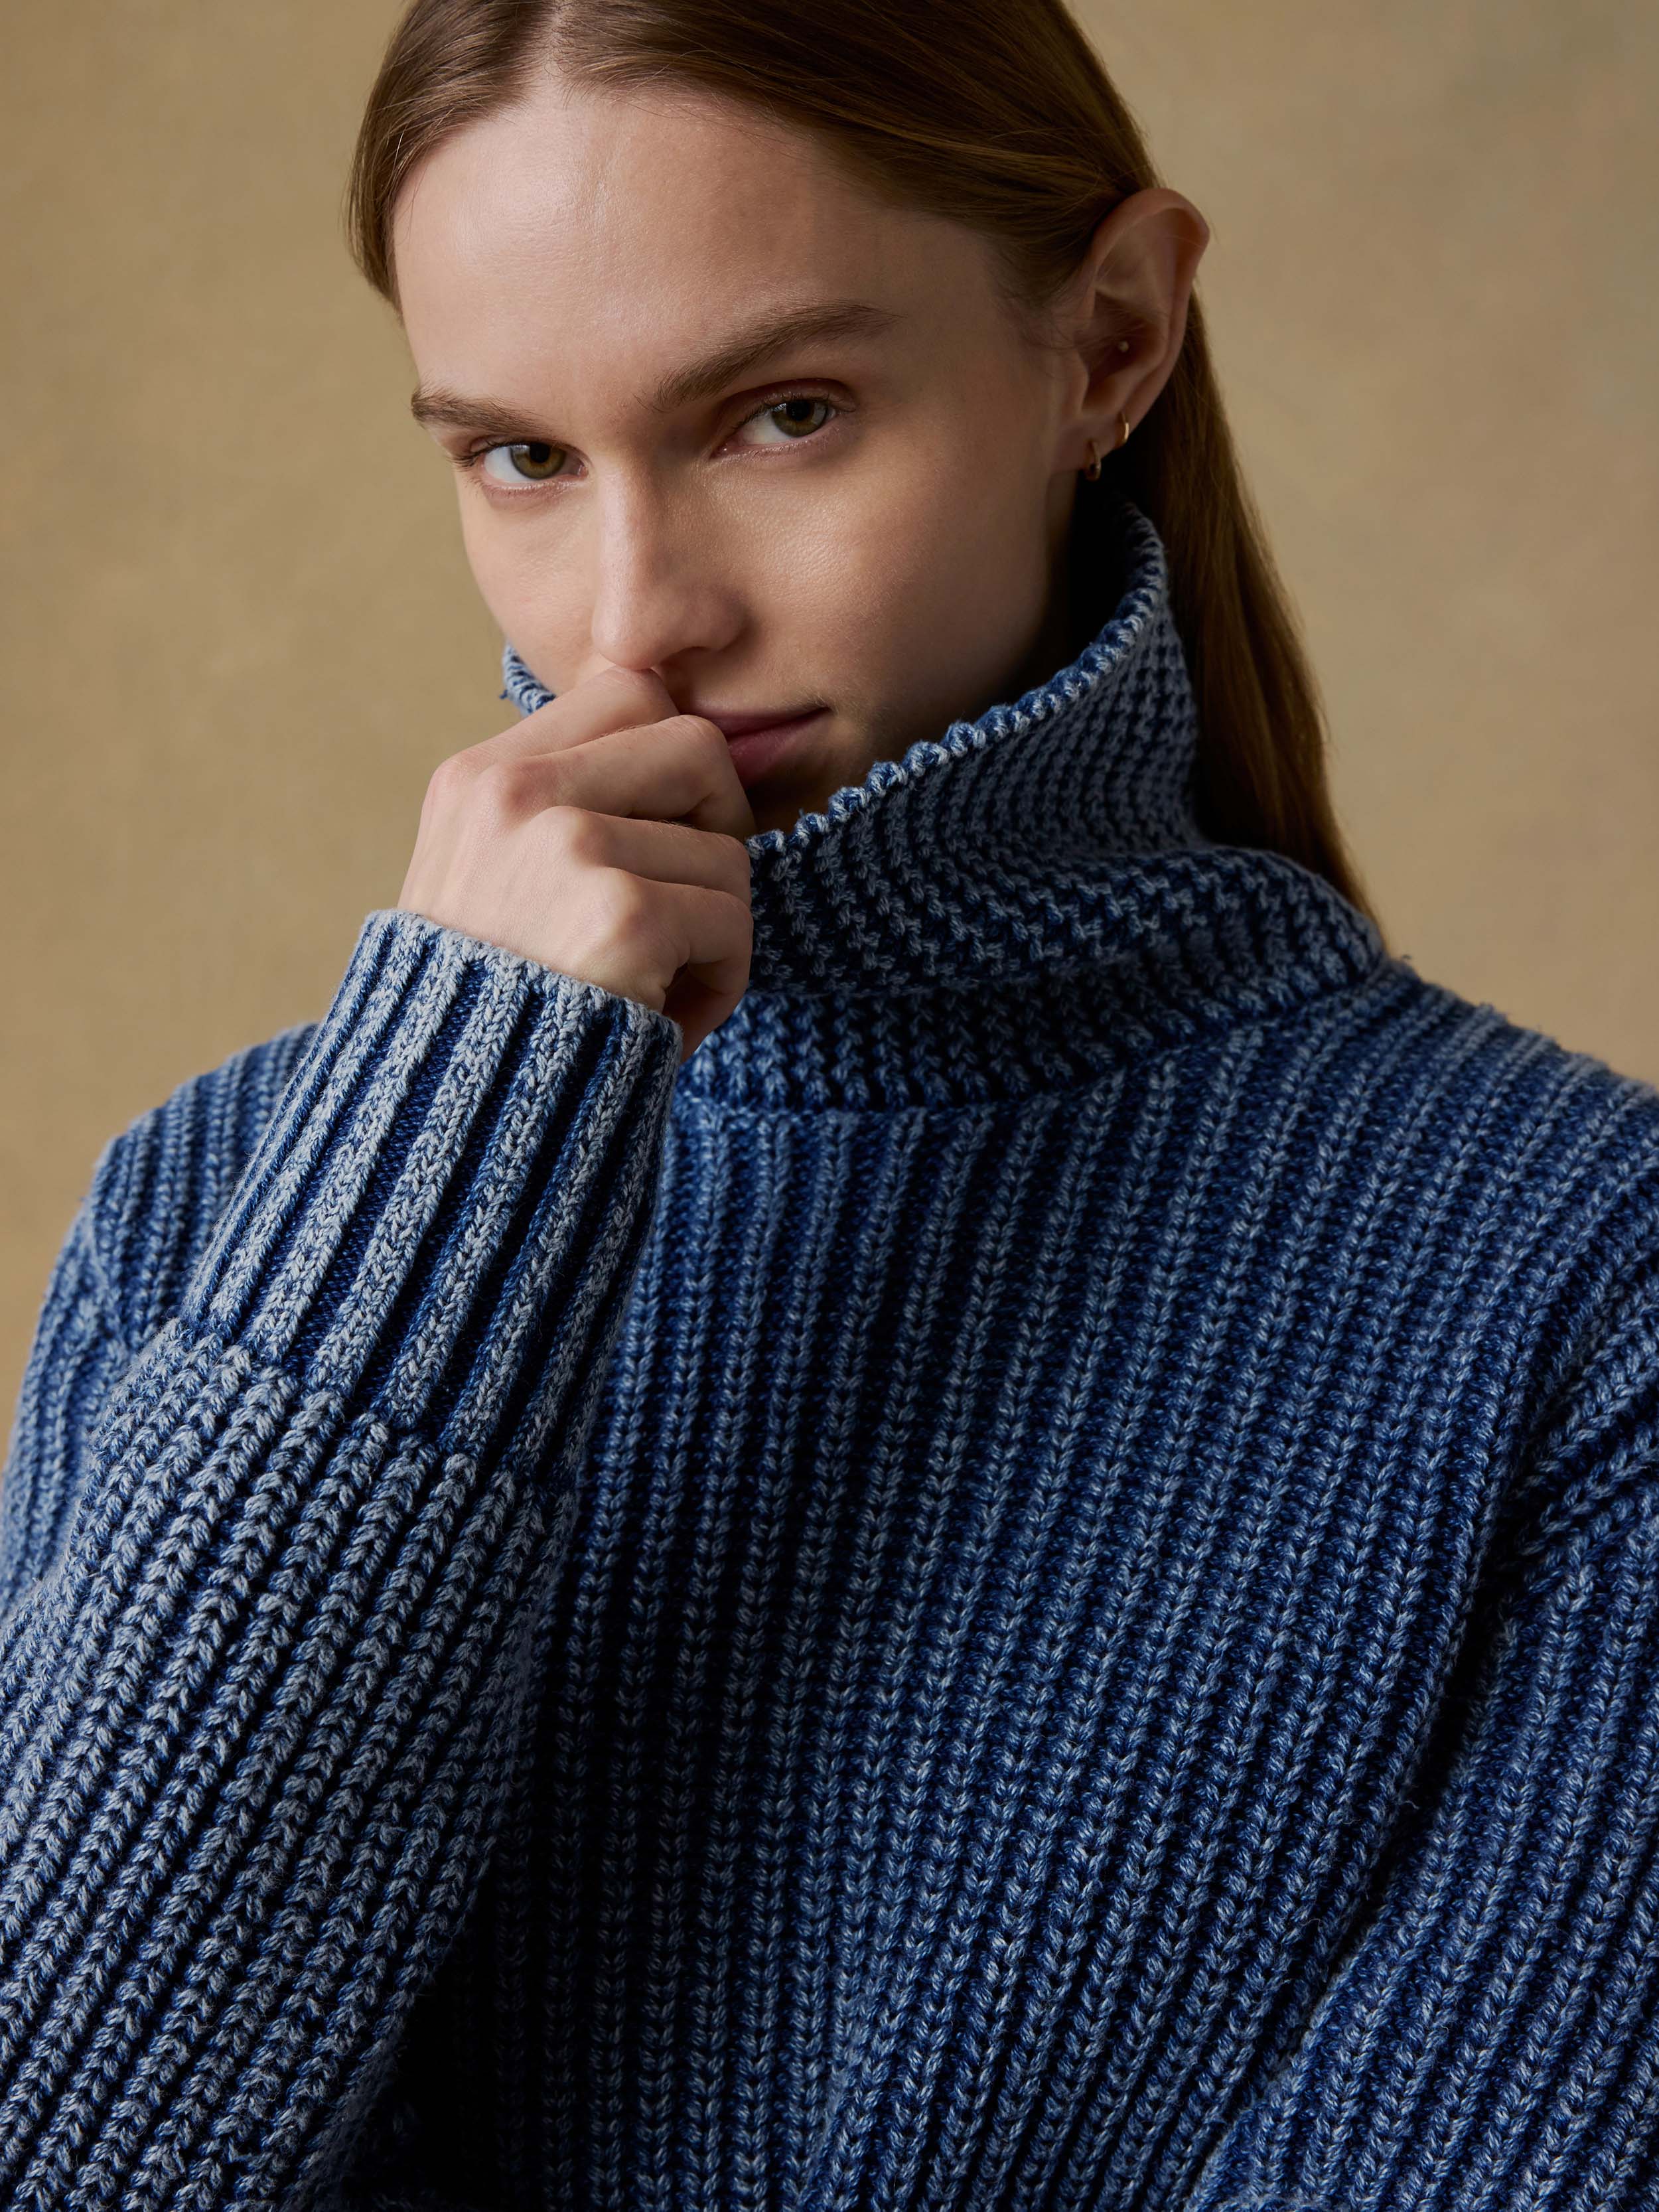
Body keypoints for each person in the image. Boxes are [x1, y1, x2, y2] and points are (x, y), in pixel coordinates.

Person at [2, 0, 1656, 2205]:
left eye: (782, 415)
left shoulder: (1580, 1278)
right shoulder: (232, 1216)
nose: (638, 614)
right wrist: (440, 1164)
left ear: (1110, 342)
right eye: (516, 456)